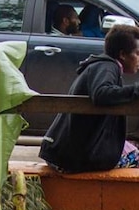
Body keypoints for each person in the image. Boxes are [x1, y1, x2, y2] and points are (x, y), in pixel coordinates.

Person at [40, 25, 139, 172]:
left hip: (64, 152)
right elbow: (101, 93)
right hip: (73, 158)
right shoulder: (107, 67)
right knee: (135, 157)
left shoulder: (102, 65)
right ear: (123, 54)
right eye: (137, 53)